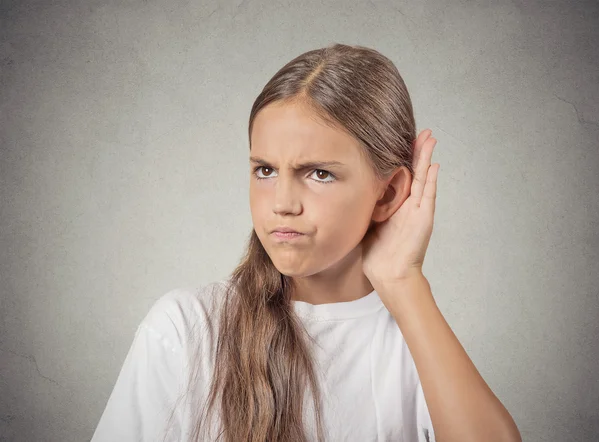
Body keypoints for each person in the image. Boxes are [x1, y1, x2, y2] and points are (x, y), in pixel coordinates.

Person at [91, 43, 521, 442]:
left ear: (387, 193)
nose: (281, 203)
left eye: (319, 173)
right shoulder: (186, 329)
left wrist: (403, 281)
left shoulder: (417, 344)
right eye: (264, 170)